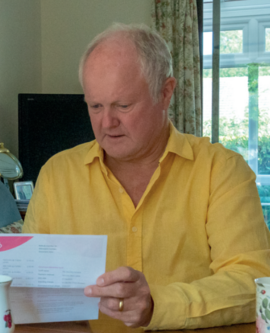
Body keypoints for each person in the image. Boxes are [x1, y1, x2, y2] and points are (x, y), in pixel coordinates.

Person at [23, 23, 270, 330]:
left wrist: (157, 305)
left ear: (165, 93)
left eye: (123, 105)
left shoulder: (220, 171)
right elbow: (29, 289)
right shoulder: (57, 175)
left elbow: (255, 284)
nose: (107, 122)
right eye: (95, 106)